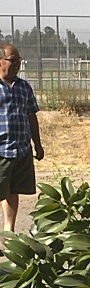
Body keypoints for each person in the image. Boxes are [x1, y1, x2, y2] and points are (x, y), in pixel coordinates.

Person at [0, 44, 43, 234]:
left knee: (12, 191)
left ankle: (8, 232)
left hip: (20, 150)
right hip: (1, 151)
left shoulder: (24, 87)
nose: (17, 64)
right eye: (13, 60)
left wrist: (37, 144)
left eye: (18, 60)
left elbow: (32, 115)